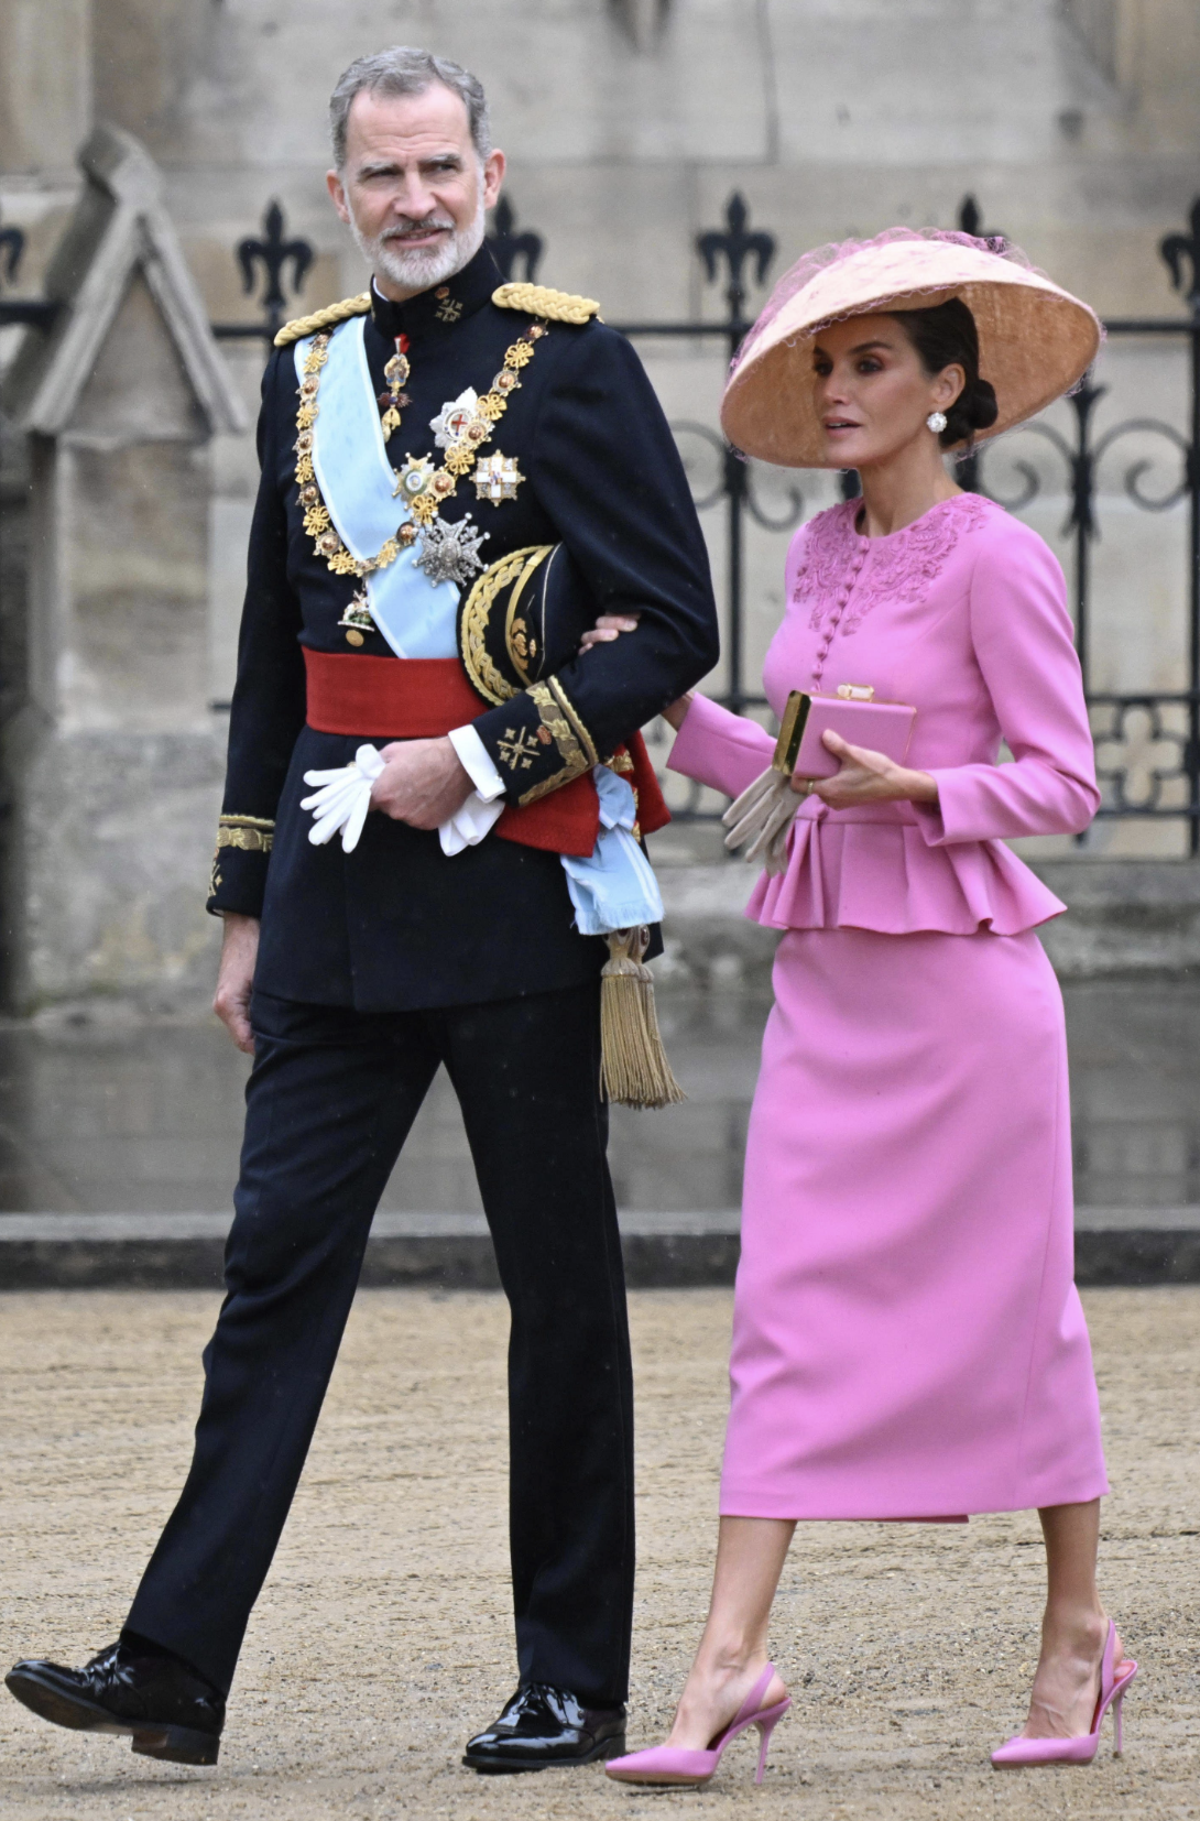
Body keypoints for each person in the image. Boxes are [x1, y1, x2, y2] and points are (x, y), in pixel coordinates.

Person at [6, 46, 717, 1776]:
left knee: (557, 1298)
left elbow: (668, 624)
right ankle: (173, 1663)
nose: (414, 200)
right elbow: (275, 659)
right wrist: (242, 907)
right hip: (329, 914)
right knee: (270, 1279)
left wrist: (478, 761)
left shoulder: (578, 363)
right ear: (341, 193)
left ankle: (573, 1679)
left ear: (490, 169)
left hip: (513, 903)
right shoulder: (306, 368)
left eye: (441, 168)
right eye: (382, 175)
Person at [602, 227, 1138, 1788]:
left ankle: (1075, 1633)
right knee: (783, 1319)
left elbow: (1068, 785)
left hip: (969, 1003)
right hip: (826, 999)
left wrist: (932, 791)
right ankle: (723, 1667)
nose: (838, 391)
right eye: (825, 366)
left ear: (950, 387)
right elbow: (783, 774)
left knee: (1019, 1320)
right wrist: (637, 704)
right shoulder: (818, 555)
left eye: (873, 364)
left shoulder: (999, 556)